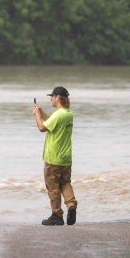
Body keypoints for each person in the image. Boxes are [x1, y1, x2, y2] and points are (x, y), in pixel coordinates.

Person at [33, 86, 77, 226]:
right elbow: (51, 120)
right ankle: (71, 205)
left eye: (52, 96)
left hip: (53, 158)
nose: (51, 99)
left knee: (53, 186)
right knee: (65, 183)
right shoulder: (67, 113)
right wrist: (41, 112)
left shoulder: (59, 115)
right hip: (66, 158)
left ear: (58, 98)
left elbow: (42, 128)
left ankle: (57, 215)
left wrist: (37, 115)